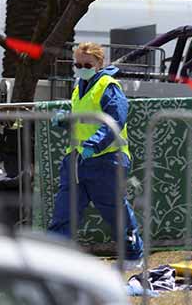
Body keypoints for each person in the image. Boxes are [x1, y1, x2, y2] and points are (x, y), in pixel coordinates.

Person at [48, 42, 144, 269]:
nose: (81, 68)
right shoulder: (79, 86)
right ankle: (53, 259)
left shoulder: (109, 86)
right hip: (78, 159)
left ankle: (132, 255)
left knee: (114, 210)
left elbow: (115, 120)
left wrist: (94, 144)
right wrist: (66, 119)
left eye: (86, 64)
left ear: (99, 63)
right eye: (77, 64)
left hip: (106, 160)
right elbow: (84, 120)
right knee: (65, 210)